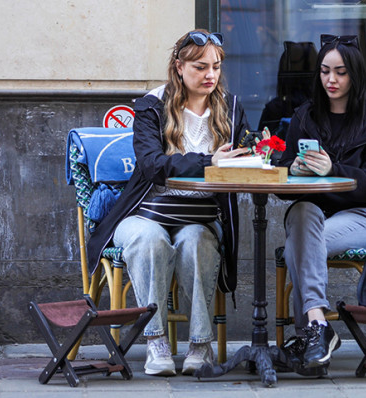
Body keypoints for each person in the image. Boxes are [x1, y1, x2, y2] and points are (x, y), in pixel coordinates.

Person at [86, 29, 254, 376]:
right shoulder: (151, 107)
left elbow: (244, 160)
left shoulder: (232, 109)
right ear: (179, 67)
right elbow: (151, 165)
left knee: (195, 243)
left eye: (216, 67)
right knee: (150, 240)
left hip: (200, 217)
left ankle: (199, 344)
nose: (210, 75)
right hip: (145, 212)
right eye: (200, 67)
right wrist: (209, 162)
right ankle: (157, 341)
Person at [277, 34, 366, 369]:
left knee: (297, 247)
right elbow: (281, 185)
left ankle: (310, 330)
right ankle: (319, 324)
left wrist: (333, 170)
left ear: (356, 75)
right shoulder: (305, 118)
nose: (331, 80)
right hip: (314, 213)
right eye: (324, 71)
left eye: (340, 72)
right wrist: (291, 168)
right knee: (302, 213)